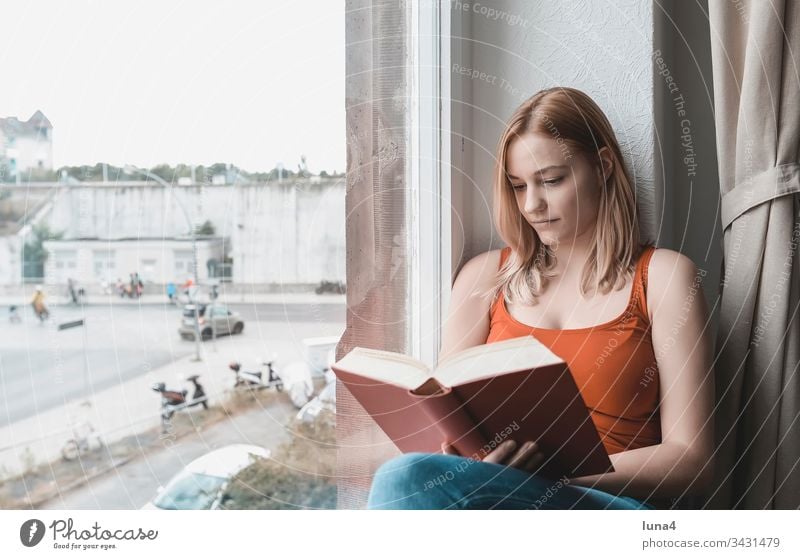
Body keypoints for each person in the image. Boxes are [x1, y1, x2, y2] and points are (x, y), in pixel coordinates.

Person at [366, 87, 715, 510]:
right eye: (517, 186)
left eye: (551, 180)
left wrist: (552, 474)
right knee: (414, 478)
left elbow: (693, 461)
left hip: (610, 504)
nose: (532, 205)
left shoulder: (663, 277)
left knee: (402, 478)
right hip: (501, 497)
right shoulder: (483, 278)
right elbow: (448, 416)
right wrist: (458, 454)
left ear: (603, 166)